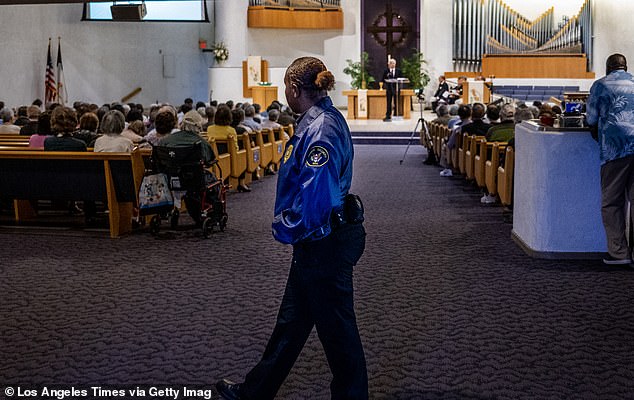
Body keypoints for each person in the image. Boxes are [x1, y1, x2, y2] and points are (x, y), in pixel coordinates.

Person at [216, 56, 368, 400]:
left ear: (295, 89)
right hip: (316, 242)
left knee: (338, 332)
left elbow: (318, 197)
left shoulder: (322, 128)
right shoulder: (315, 121)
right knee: (292, 324)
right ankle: (255, 392)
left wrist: (286, 227)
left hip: (324, 242)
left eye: (285, 86)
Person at [586, 53, 634, 265]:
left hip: (615, 149)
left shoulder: (600, 85)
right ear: (626, 67)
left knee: (612, 201)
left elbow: (591, 119)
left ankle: (619, 253)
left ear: (608, 68)